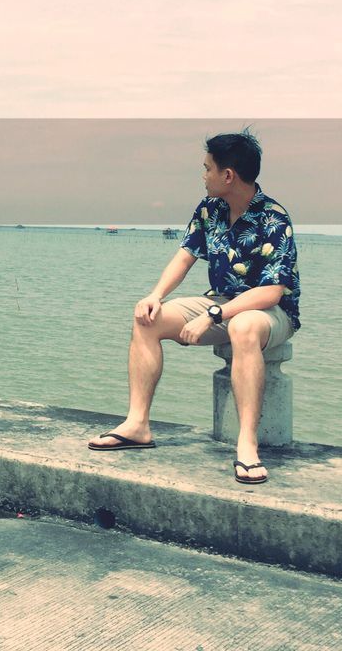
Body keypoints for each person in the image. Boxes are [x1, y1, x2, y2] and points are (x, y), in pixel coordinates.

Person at [87, 130, 301, 485]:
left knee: (243, 326)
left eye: (207, 169)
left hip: (270, 313)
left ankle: (246, 445)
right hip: (219, 301)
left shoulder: (273, 218)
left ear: (227, 175)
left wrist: (214, 315)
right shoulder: (210, 209)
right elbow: (184, 256)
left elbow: (271, 292)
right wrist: (155, 295)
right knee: (146, 319)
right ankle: (137, 425)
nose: (203, 177)